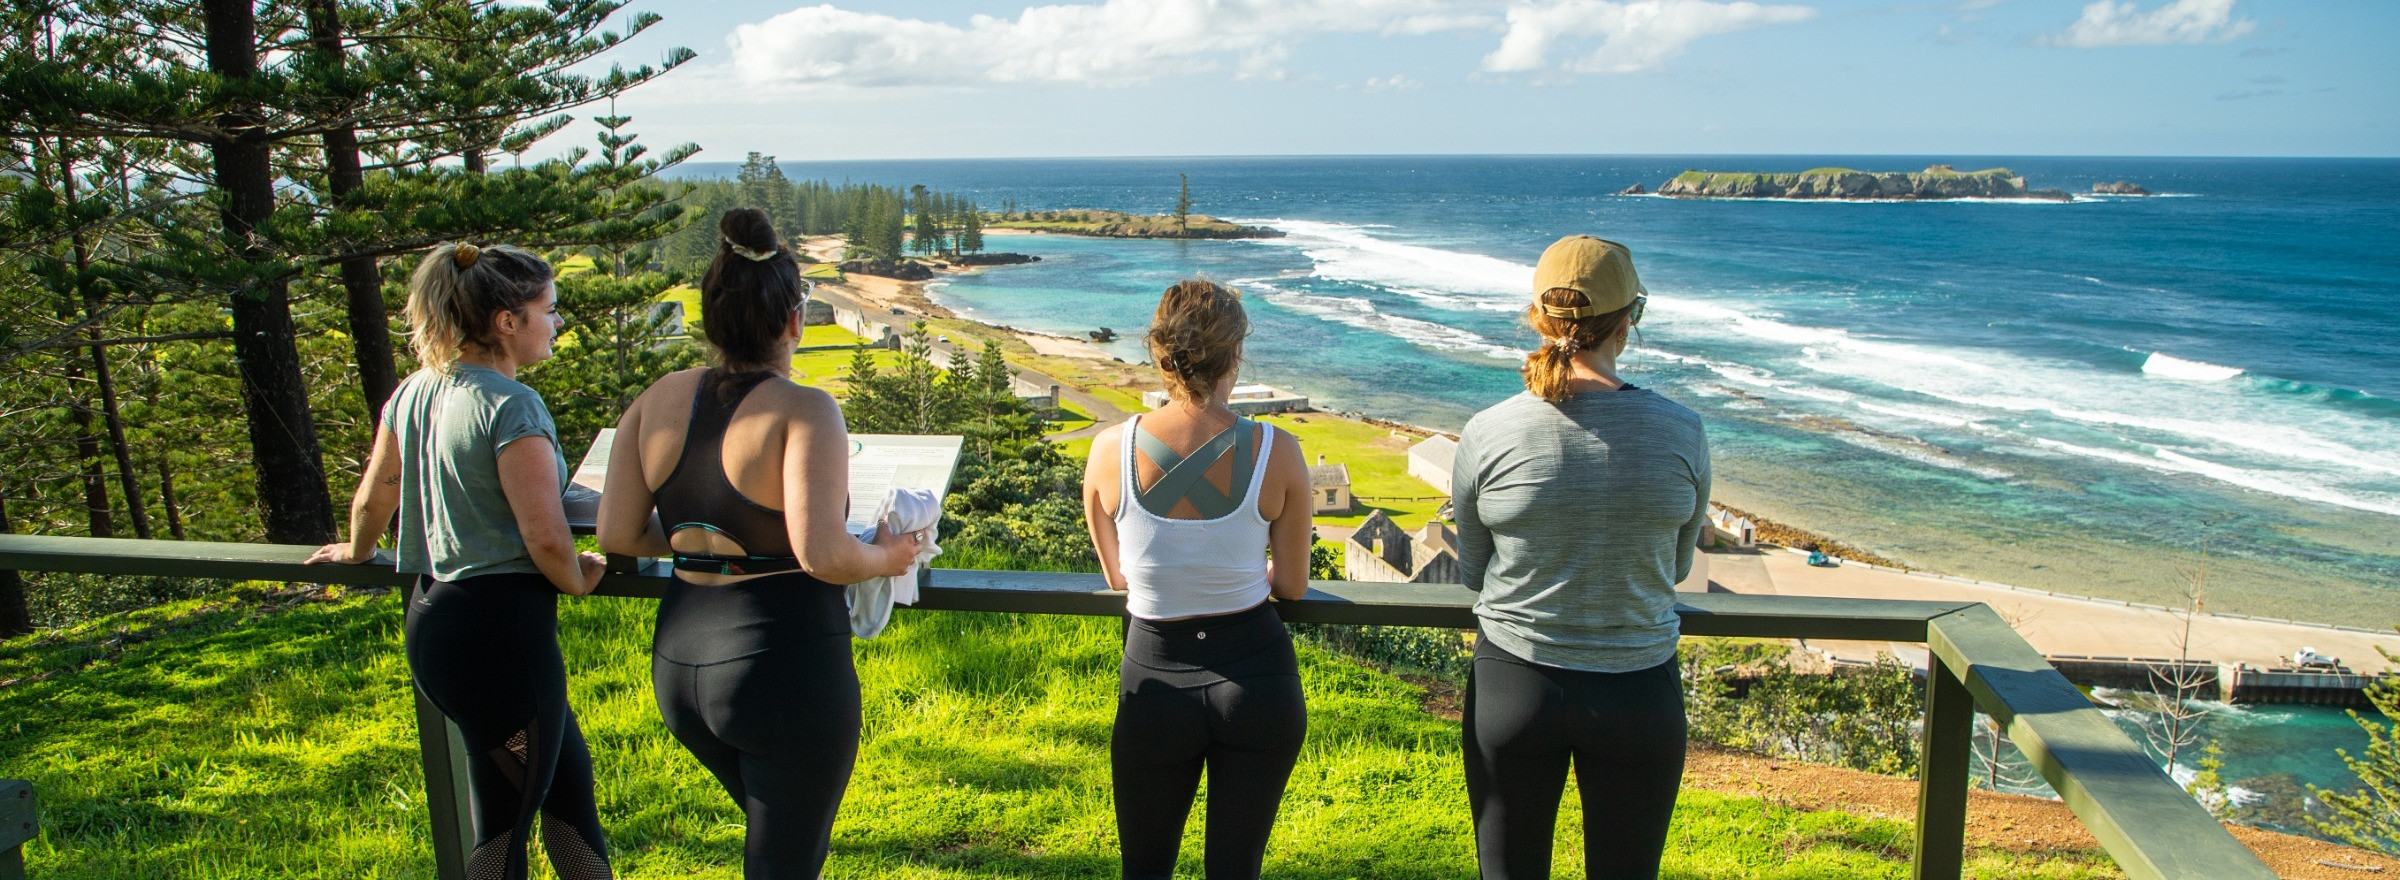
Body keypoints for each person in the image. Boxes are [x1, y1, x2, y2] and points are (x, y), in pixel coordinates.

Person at [596, 208, 919, 878]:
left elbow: (617, 532)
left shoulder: (657, 398)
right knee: (786, 861)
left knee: (782, 844)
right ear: (794, 318)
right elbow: (823, 554)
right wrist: (888, 558)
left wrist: (708, 539)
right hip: (781, 665)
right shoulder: (804, 409)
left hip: (680, 663)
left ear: (711, 317)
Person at [309, 242, 614, 880]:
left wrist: (360, 551)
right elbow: (548, 539)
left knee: (565, 793)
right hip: (501, 637)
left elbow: (377, 492)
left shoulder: (414, 391)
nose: (556, 323)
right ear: (508, 321)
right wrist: (578, 579)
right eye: (548, 310)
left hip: (436, 621)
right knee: (502, 836)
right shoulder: (511, 406)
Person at [1451, 235, 1711, 880]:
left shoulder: (1490, 430)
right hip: (1638, 687)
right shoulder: (1681, 429)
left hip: (1515, 681)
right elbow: (1677, 565)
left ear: (1538, 318)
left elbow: (1474, 568)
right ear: (1630, 321)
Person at [1081, 279, 1315, 880]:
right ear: (1236, 356)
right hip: (1258, 681)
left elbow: (1118, 578)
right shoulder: (1278, 450)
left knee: (1145, 869)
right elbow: (1291, 585)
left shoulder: (1112, 448)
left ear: (1159, 356)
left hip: (1155, 684)